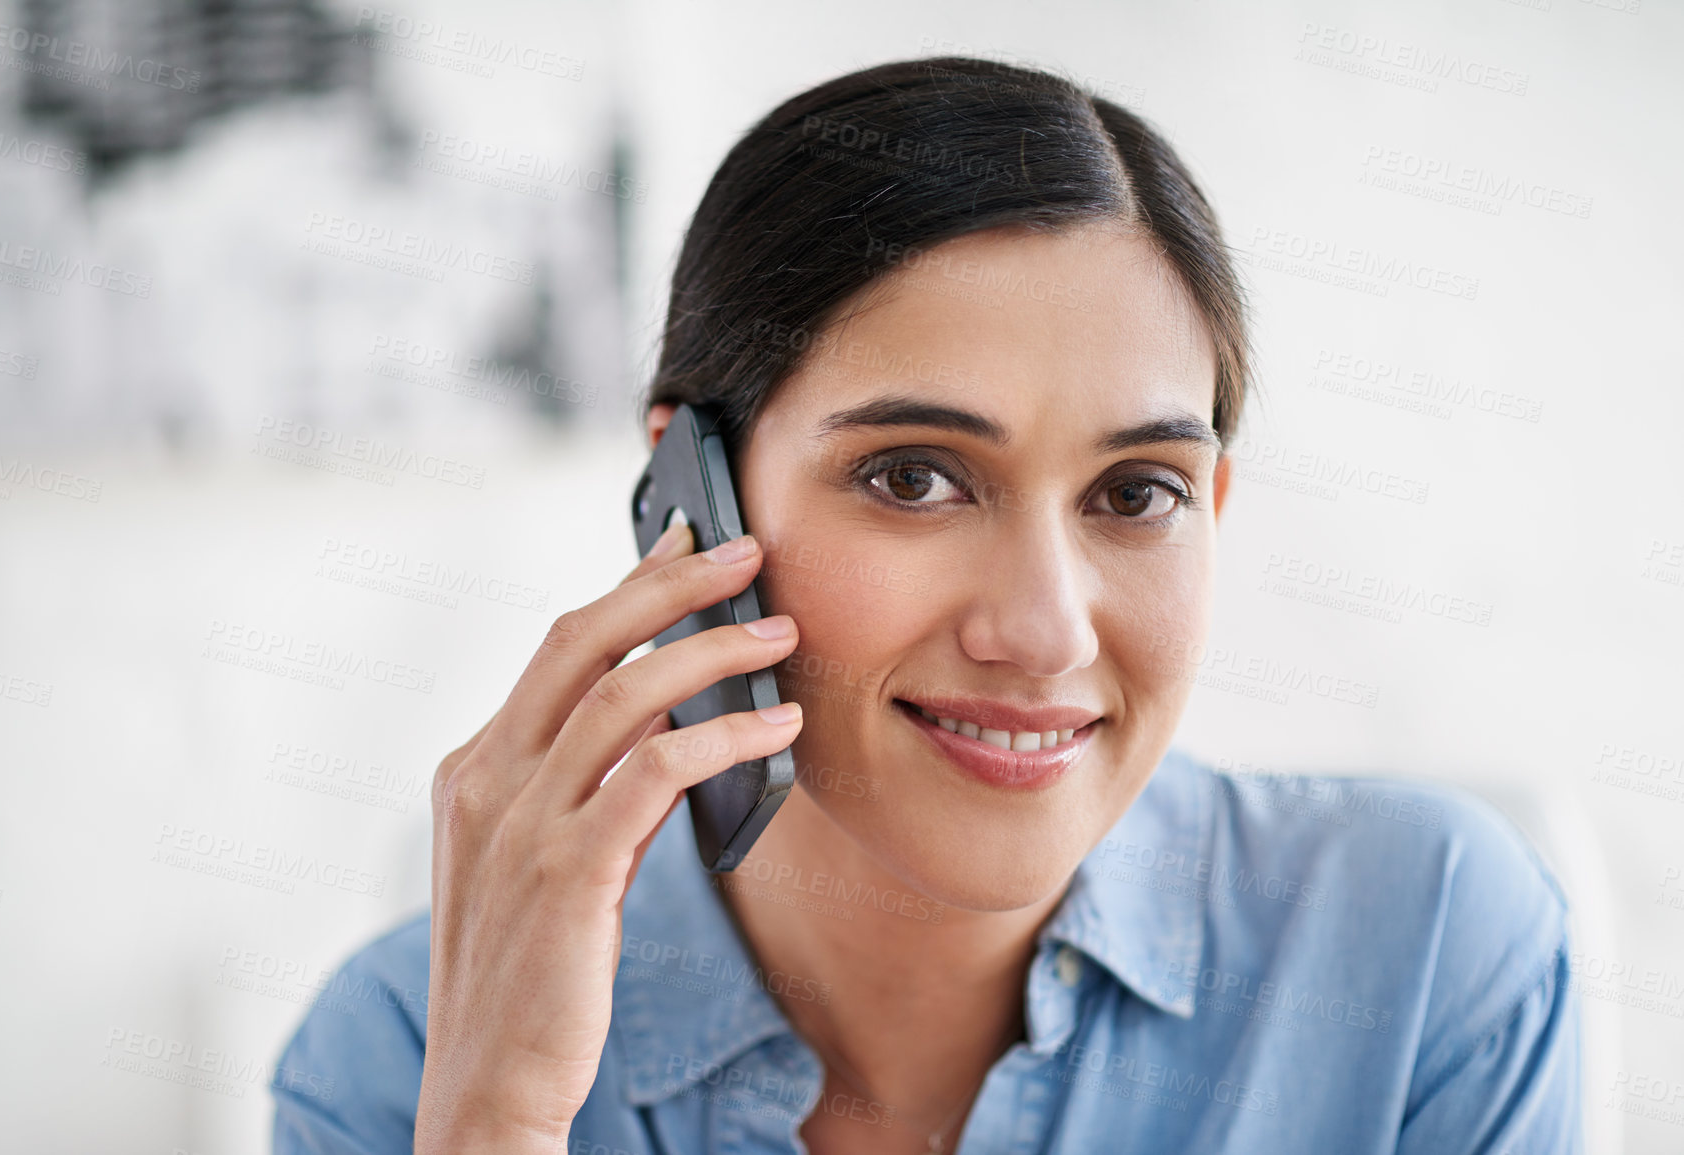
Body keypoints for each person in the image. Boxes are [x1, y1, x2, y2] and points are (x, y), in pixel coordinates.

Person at [270, 56, 1582, 1154]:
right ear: (690, 500)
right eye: (912, 478)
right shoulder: (402, 1050)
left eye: (1135, 494)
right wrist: (493, 1122)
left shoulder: (1426, 950)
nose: (1047, 629)